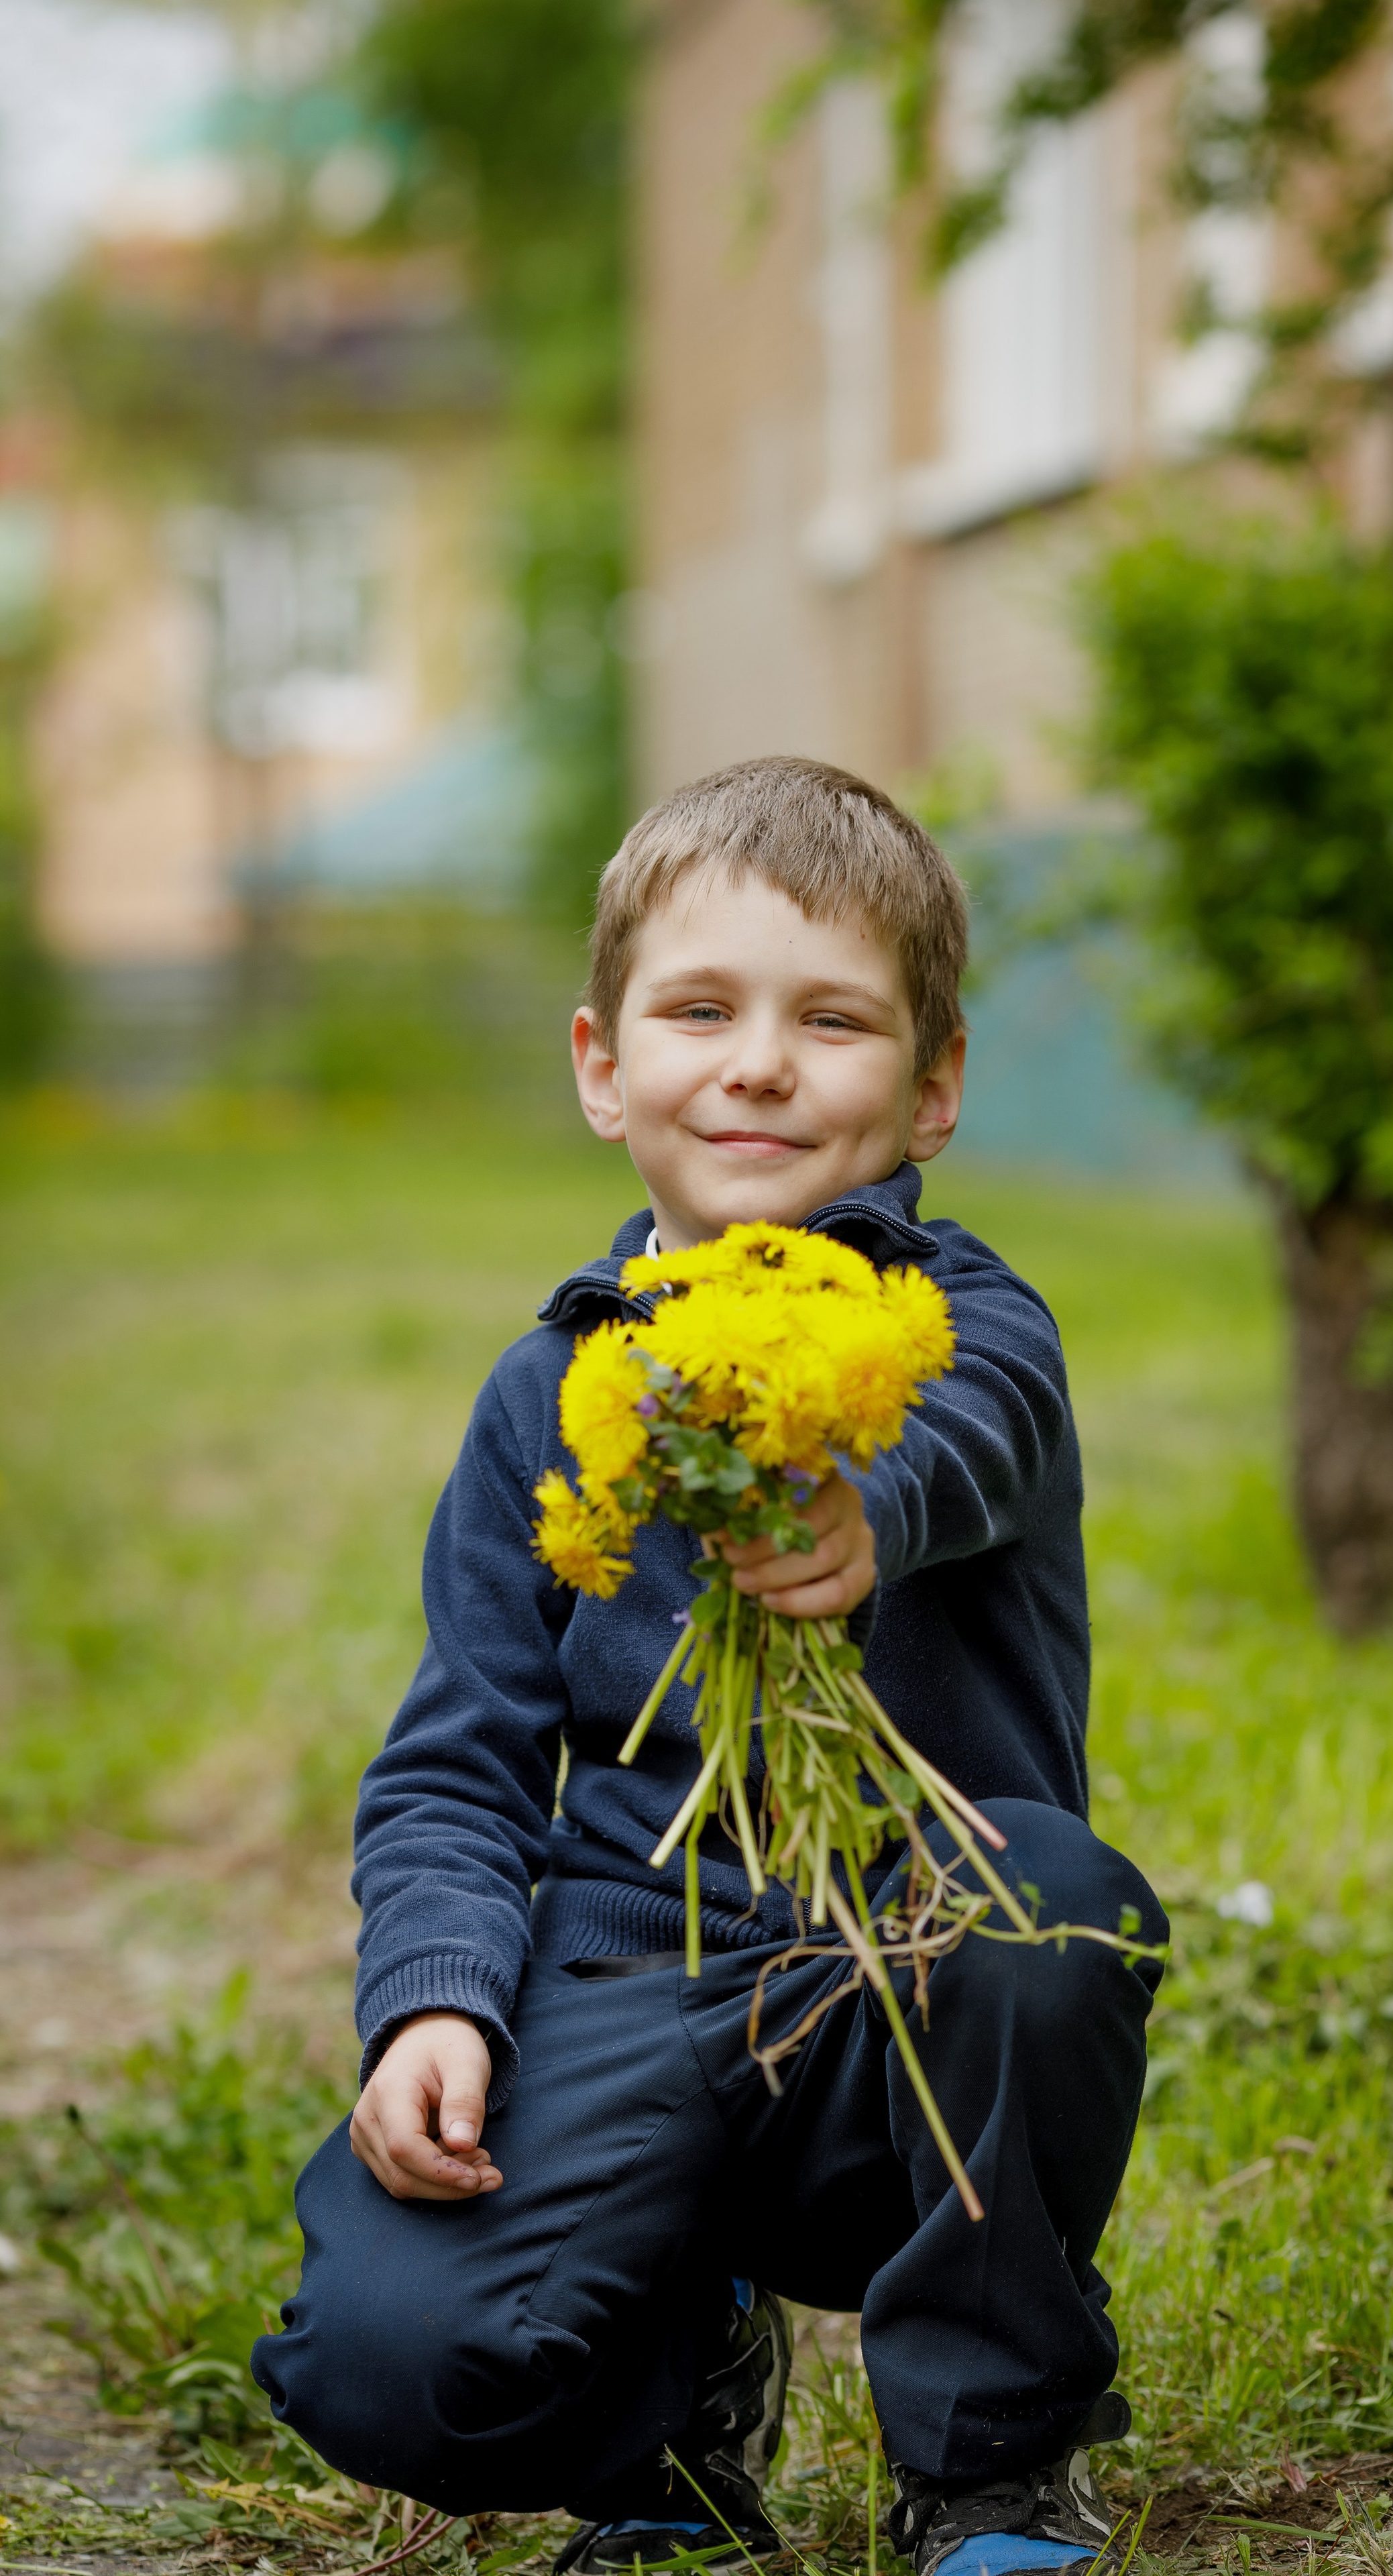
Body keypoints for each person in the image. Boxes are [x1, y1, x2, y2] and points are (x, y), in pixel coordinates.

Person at [253, 755, 1170, 2576]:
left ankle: (991, 2465)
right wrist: (434, 2002)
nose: (759, 1065)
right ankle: (673, 2406)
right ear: (603, 1067)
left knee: (1046, 1906)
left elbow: (974, 1438)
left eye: (832, 1020)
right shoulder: (547, 1390)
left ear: (934, 1086)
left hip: (904, 1991)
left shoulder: (968, 1329)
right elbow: (458, 1760)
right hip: (635, 1973)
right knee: (379, 2360)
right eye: (700, 1012)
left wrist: (859, 1507)